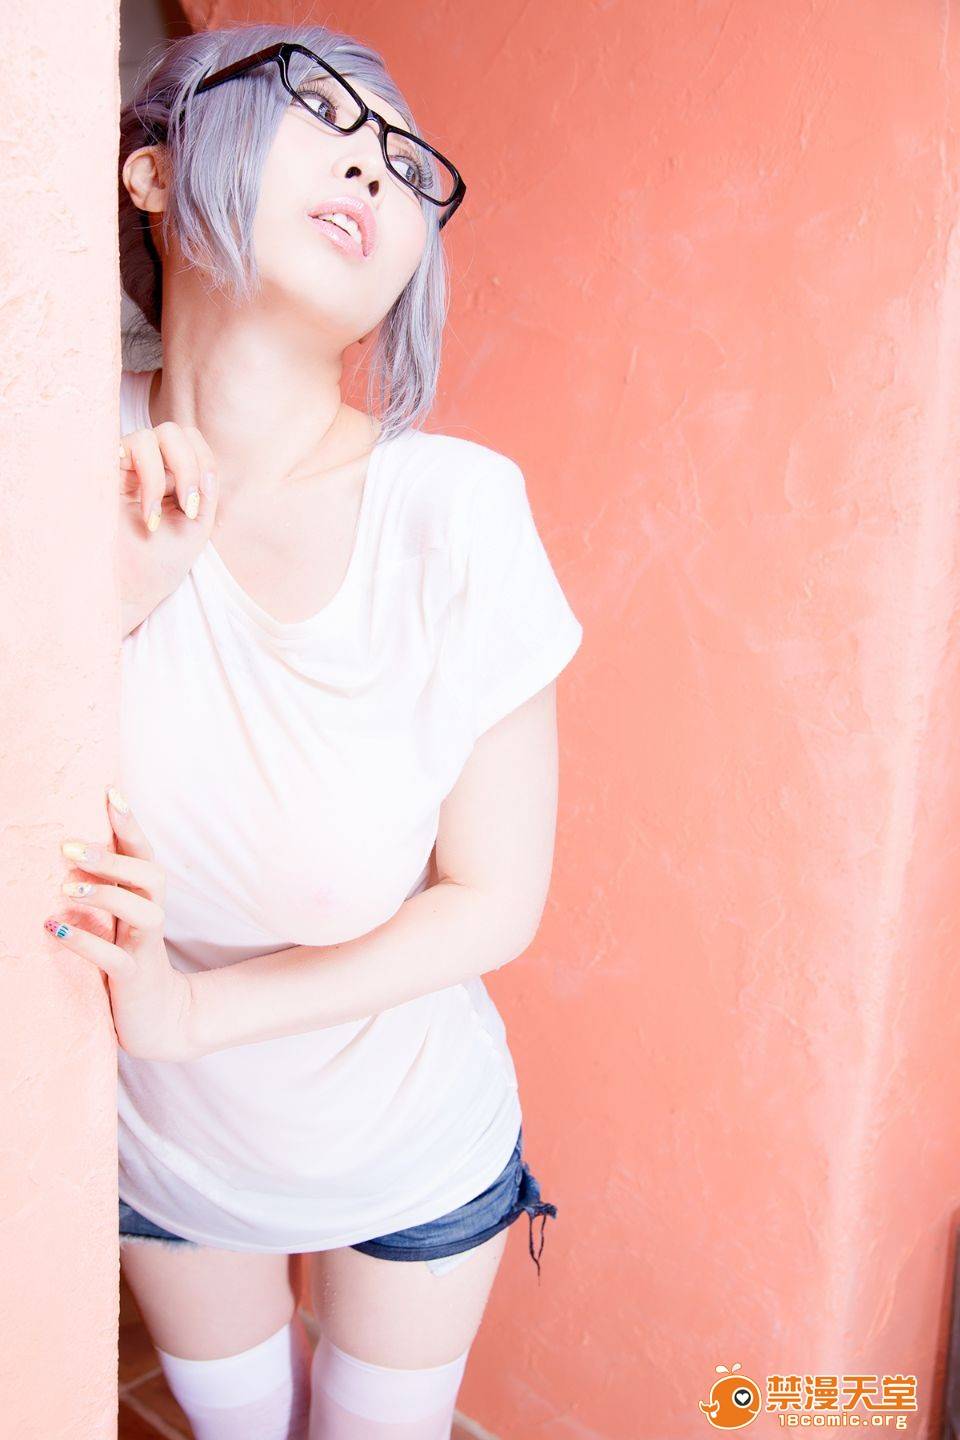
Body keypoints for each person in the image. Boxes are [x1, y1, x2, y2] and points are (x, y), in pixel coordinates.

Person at [44, 21, 583, 1440]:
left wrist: (189, 1015)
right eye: (319, 111)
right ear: (156, 175)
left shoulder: (455, 512)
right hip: (168, 1155)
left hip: (408, 1143)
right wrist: (116, 596)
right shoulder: (45, 455)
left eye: (404, 157)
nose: (374, 163)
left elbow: (495, 900)